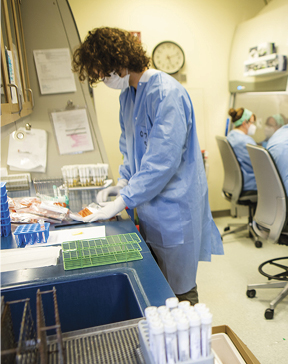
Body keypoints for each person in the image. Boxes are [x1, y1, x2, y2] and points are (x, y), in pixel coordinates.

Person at [72, 27, 223, 305]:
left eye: (103, 73)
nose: (103, 79)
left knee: (179, 288)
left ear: (118, 62)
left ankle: (186, 328)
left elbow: (162, 162)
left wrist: (122, 201)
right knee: (157, 285)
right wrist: (123, 182)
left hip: (174, 210)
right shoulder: (128, 96)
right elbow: (130, 147)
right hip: (148, 207)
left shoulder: (166, 93)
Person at [227, 108, 258, 191]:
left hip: (235, 183)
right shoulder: (246, 142)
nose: (253, 126)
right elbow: (260, 164)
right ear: (244, 123)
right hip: (250, 184)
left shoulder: (230, 136)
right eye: (252, 123)